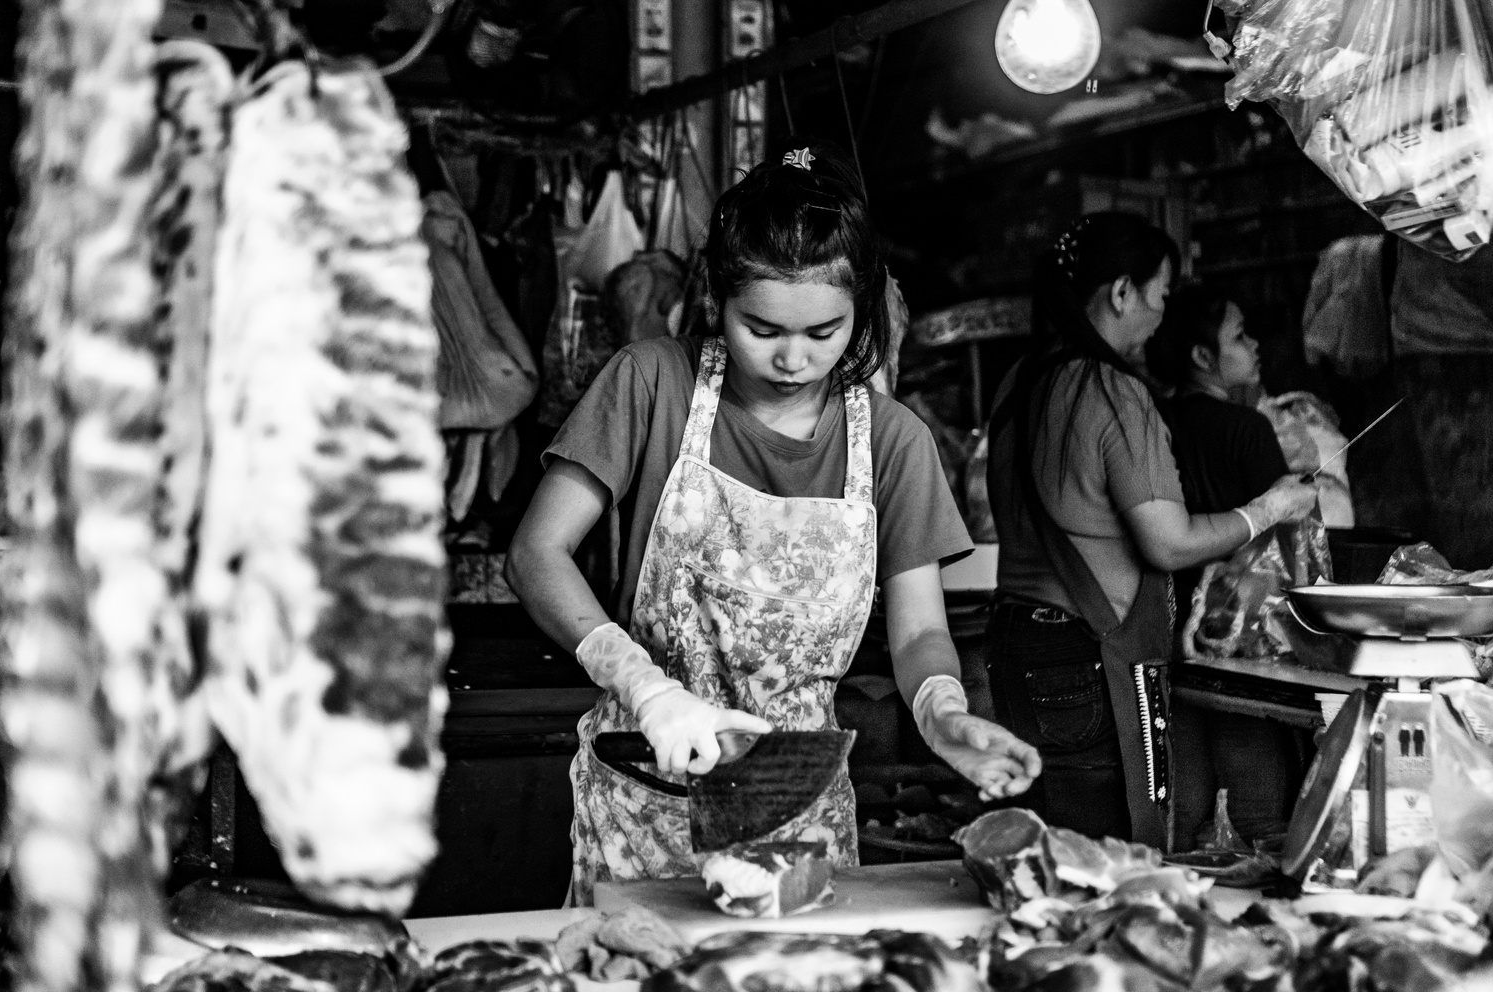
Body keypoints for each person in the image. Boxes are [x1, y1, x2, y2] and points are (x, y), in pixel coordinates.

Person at [508, 143, 1042, 905]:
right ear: (717, 302)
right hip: (647, 793)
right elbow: (535, 553)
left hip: (801, 814)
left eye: (824, 333)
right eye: (762, 329)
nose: (793, 358)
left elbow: (920, 633)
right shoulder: (652, 383)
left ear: (860, 312)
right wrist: (647, 689)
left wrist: (942, 712)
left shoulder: (891, 442)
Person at [984, 214, 1317, 847]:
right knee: (1103, 859)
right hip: (1084, 660)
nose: (1162, 314)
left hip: (1012, 645)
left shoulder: (1017, 382)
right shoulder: (1111, 391)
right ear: (1120, 293)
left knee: (1040, 846)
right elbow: (1167, 541)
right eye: (1159, 296)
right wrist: (1267, 509)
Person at [1146, 286, 1300, 845]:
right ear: (1202, 357)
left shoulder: (1150, 420)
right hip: (1240, 651)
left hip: (1162, 641)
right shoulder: (1248, 429)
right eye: (1239, 334)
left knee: (1179, 824)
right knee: (1259, 823)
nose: (1254, 343)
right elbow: (1288, 547)